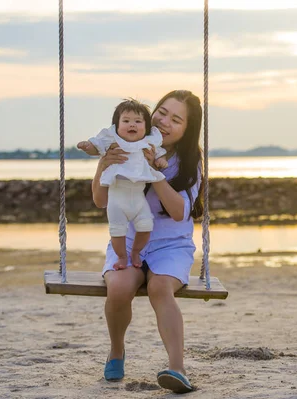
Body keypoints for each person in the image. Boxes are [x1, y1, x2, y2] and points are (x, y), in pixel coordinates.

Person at [91, 90, 203, 394]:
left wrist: (154, 172)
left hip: (171, 245)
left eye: (176, 119)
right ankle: (117, 351)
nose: (164, 122)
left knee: (159, 287)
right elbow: (101, 201)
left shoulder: (189, 161)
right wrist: (103, 164)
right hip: (128, 242)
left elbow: (180, 212)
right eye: (162, 112)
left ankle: (177, 368)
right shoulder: (123, 146)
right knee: (118, 287)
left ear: (186, 129)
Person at [78, 99, 168, 269]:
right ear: (116, 126)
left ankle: (135, 252)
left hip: (138, 196)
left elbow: (159, 155)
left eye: (137, 121)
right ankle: (121, 257)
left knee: (146, 226)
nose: (131, 125)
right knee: (117, 231)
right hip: (117, 197)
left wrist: (161, 160)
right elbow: (96, 146)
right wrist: (87, 146)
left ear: (146, 127)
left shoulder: (149, 143)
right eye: (126, 121)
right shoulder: (113, 141)